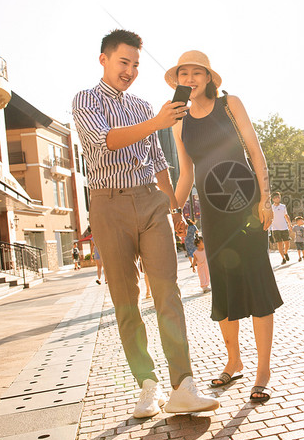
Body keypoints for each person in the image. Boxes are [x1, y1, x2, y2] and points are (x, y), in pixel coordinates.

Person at [72, 30, 218, 418]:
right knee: (126, 300)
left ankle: (183, 385)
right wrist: (156, 123)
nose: (131, 71)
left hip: (151, 203)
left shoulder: (143, 105)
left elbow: (158, 162)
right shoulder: (85, 100)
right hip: (108, 205)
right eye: (124, 62)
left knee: (168, 290)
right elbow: (106, 141)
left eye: (136, 64)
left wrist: (174, 209)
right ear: (103, 60)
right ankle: (147, 386)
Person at [169, 50, 283, 403]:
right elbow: (186, 172)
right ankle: (234, 361)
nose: (189, 79)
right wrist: (174, 209)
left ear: (208, 77)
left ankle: (263, 369)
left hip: (246, 205)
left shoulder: (229, 104)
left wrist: (265, 199)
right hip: (213, 213)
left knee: (256, 281)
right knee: (223, 284)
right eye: (182, 74)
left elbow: (255, 150)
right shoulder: (178, 121)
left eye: (196, 72)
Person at [269, 192, 292, 264]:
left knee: (287, 243)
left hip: (284, 227)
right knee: (279, 244)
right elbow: (270, 218)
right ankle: (283, 258)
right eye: (276, 198)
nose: (277, 199)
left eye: (278, 197)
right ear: (273, 199)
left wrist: (289, 224)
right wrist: (269, 228)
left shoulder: (283, 206)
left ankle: (285, 253)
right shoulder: (271, 207)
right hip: (275, 228)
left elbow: (286, 215)